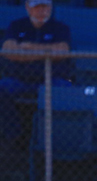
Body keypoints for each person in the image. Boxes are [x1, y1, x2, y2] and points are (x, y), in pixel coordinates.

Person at [0, 0, 71, 153]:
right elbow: (8, 50)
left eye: (45, 8)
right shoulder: (16, 26)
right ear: (27, 8)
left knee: (66, 90)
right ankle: (13, 136)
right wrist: (46, 54)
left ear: (51, 8)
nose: (41, 12)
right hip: (20, 80)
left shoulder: (60, 28)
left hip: (51, 80)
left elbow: (62, 51)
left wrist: (29, 48)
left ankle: (58, 140)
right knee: (2, 87)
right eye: (37, 8)